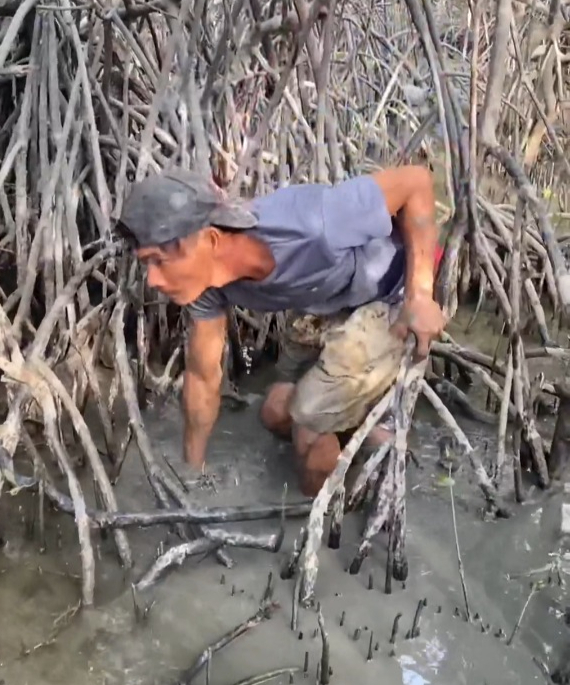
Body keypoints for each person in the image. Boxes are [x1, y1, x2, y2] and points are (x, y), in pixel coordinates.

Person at [118, 166, 446, 497]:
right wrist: (192, 473)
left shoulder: (316, 223)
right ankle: (364, 425)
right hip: (330, 304)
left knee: (308, 428)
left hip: (392, 298)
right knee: (275, 411)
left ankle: (321, 521)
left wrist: (420, 294)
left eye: (159, 261)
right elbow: (203, 377)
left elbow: (416, 182)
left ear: (211, 239)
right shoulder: (205, 286)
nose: (153, 281)